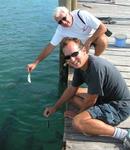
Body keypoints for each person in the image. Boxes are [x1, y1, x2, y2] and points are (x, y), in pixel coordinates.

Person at [43, 37, 130, 149]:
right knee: (71, 95)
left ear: (84, 50)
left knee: (78, 122)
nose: (72, 59)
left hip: (119, 107)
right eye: (68, 57)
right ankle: (93, 118)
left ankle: (124, 135)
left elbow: (91, 99)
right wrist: (55, 107)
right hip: (104, 98)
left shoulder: (96, 67)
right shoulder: (80, 67)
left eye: (75, 54)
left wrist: (79, 114)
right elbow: (71, 90)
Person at [27, 6, 108, 72]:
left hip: (92, 38)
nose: (64, 23)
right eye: (60, 22)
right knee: (69, 51)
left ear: (69, 13)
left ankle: (94, 60)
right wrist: (35, 63)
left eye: (64, 18)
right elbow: (50, 46)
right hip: (79, 44)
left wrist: (89, 41)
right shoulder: (60, 30)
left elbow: (103, 28)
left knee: (103, 40)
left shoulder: (82, 15)